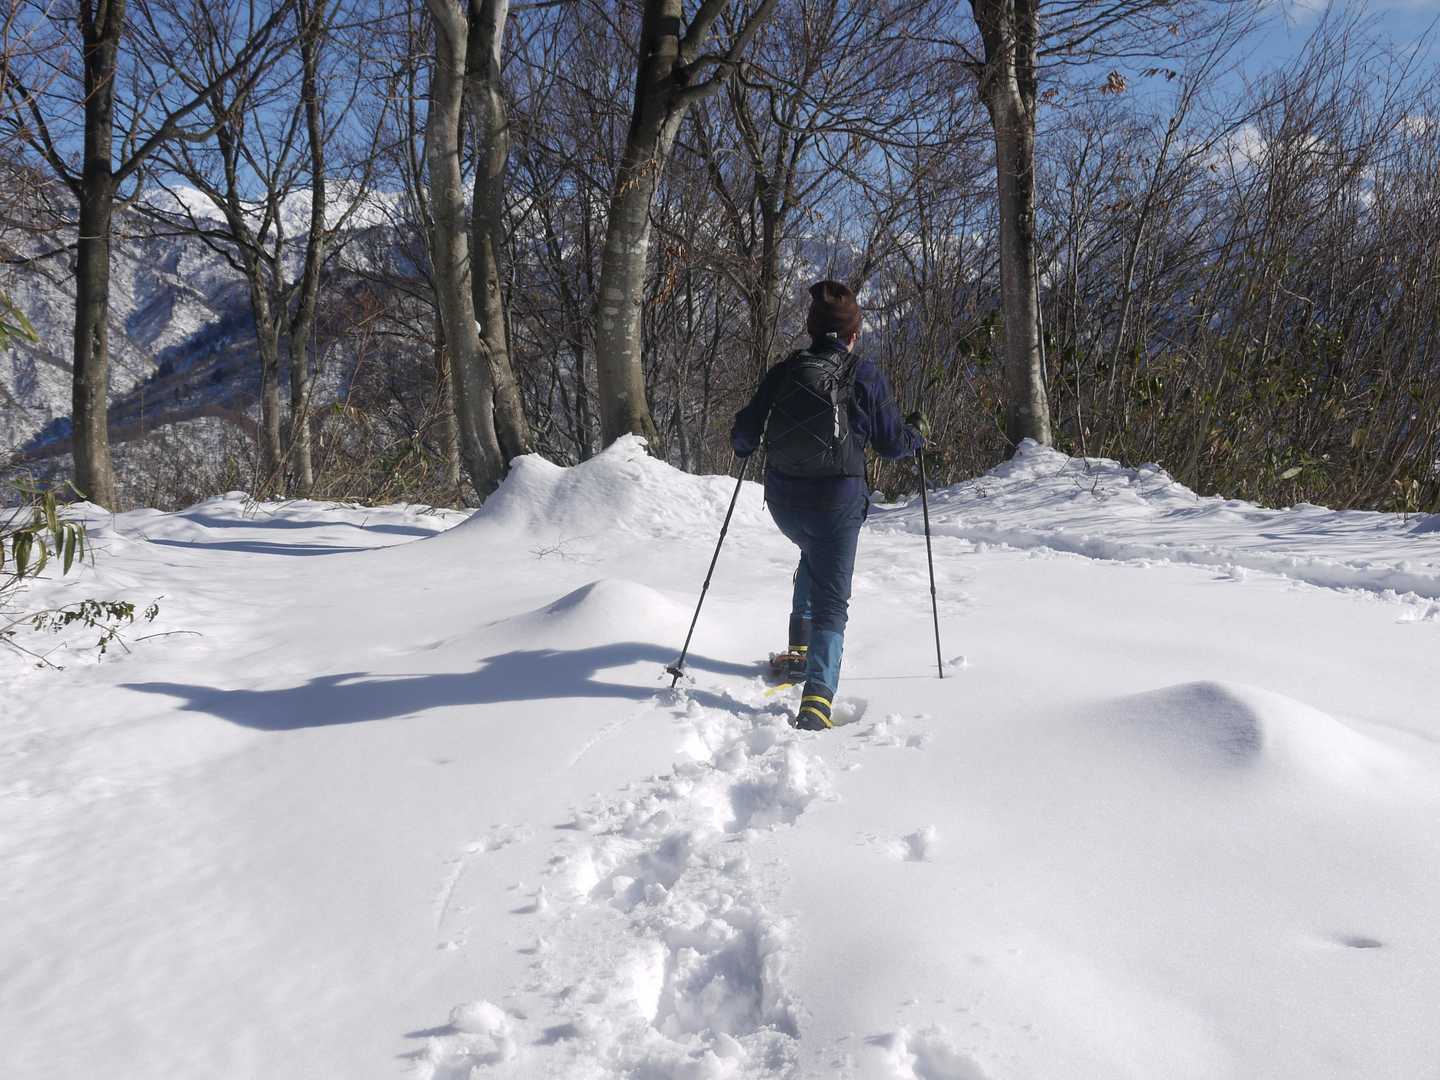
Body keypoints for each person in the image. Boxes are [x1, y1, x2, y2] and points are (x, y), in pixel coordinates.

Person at [731, 280, 925, 730]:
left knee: (811, 551)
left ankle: (800, 645)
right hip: (836, 504)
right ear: (854, 333)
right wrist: (918, 433)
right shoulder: (864, 374)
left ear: (812, 330)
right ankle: (817, 700)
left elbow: (743, 438)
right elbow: (893, 444)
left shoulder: (785, 371)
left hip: (784, 504)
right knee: (833, 599)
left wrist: (751, 443)